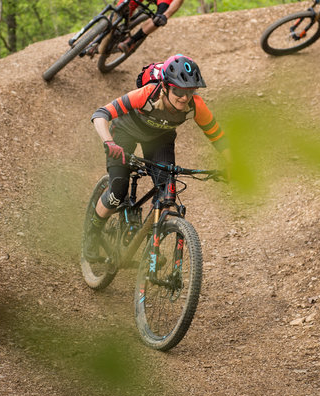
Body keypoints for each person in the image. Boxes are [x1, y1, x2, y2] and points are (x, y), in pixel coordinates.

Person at [84, 54, 229, 262]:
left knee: (166, 193)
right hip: (125, 132)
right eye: (178, 90)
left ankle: (152, 247)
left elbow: (218, 136)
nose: (184, 97)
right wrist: (109, 142)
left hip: (160, 139)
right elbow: (100, 114)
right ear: (165, 87)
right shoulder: (146, 95)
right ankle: (92, 234)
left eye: (190, 91)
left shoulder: (196, 105)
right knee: (117, 189)